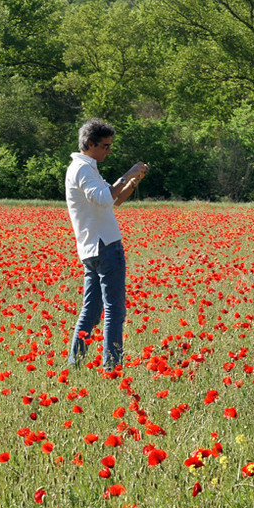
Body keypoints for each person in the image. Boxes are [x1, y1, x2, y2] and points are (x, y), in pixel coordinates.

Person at [65, 119, 147, 371]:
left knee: (91, 311)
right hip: (105, 245)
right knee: (114, 311)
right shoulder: (82, 169)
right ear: (90, 144)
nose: (108, 151)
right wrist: (128, 173)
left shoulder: (87, 167)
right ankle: (112, 367)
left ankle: (74, 364)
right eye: (105, 146)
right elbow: (104, 197)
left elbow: (114, 200)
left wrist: (133, 182)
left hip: (91, 248)